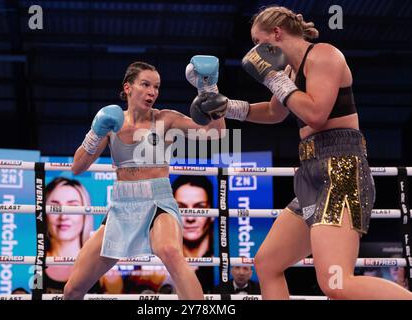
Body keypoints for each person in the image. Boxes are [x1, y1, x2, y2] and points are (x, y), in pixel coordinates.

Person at [190, 5, 412, 299]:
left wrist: (272, 77)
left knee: (336, 284)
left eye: (259, 42)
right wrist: (227, 107)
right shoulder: (289, 70)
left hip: (341, 170)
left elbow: (316, 114)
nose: (257, 51)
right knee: (267, 263)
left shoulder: (324, 55)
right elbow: (274, 112)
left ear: (277, 34)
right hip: (311, 171)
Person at [63, 60, 226, 300]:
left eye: (157, 87)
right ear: (127, 88)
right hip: (122, 204)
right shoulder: (111, 124)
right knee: (72, 289)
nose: (152, 92)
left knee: (169, 251)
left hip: (158, 200)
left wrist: (209, 90)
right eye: (145, 84)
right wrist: (95, 132)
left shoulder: (165, 120)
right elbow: (78, 167)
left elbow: (215, 132)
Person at [44, 177, 123, 294]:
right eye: (55, 207)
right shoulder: (33, 262)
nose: (63, 216)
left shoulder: (104, 268)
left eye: (73, 206)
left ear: (85, 215)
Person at [172, 175, 215, 293]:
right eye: (181, 207)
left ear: (212, 213)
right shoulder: (156, 269)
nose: (190, 218)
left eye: (200, 207)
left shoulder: (222, 265)